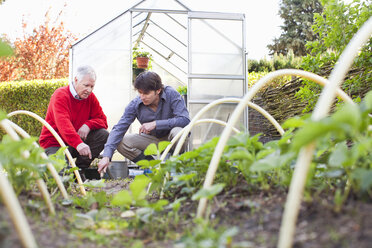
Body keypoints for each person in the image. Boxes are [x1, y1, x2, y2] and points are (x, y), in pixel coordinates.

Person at [97, 71, 190, 174]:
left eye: (146, 93)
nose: (142, 96)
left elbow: (185, 120)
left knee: (179, 132)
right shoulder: (135, 104)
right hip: (153, 139)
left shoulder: (171, 94)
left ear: (158, 90)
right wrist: (106, 156)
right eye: (140, 92)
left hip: (171, 139)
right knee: (121, 142)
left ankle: (174, 167)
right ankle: (152, 167)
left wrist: (156, 123)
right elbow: (119, 128)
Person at [39, 65, 109, 176]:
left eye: (92, 86)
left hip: (75, 143)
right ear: (76, 80)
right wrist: (78, 143)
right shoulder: (60, 95)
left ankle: (81, 170)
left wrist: (88, 125)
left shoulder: (90, 98)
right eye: (86, 85)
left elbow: (103, 121)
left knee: (102, 134)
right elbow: (63, 125)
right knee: (62, 178)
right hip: (55, 144)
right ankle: (64, 171)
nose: (89, 90)